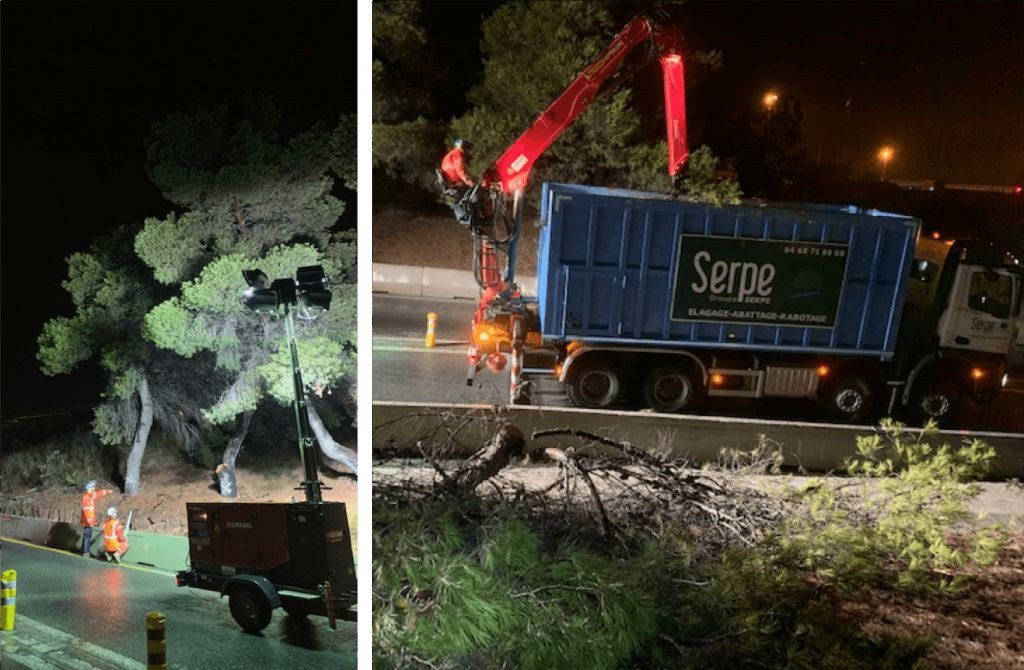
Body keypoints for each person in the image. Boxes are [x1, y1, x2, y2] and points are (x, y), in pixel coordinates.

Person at [80, 480, 112, 556]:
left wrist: (108, 491)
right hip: (87, 522)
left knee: (87, 536)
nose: (94, 489)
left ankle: (84, 550)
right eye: (92, 488)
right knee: (87, 536)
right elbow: (87, 512)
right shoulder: (87, 498)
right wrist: (90, 522)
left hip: (89, 521)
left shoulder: (90, 496)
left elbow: (99, 493)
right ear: (88, 488)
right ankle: (86, 552)